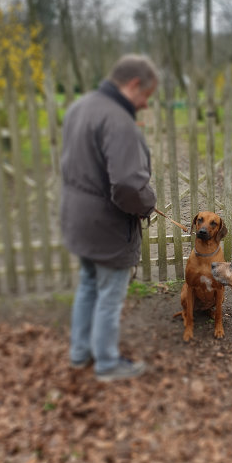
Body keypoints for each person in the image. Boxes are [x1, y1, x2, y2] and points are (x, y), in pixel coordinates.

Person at [60, 54, 158, 381]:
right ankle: (106, 364)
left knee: (88, 284)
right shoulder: (118, 120)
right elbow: (129, 185)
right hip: (106, 225)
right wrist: (147, 204)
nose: (145, 104)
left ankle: (79, 354)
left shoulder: (81, 106)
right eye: (146, 96)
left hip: (78, 219)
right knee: (110, 298)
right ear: (133, 85)